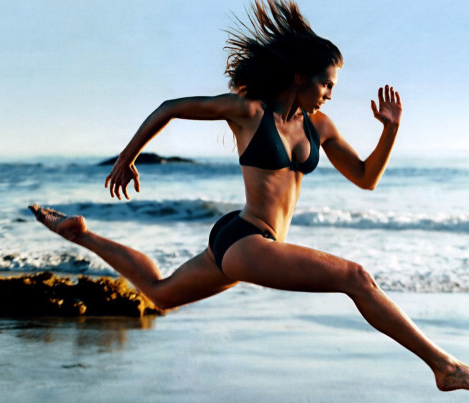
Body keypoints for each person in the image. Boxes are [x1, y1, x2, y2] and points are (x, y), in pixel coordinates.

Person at [29, 0, 469, 391]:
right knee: (356, 278)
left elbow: (366, 178)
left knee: (160, 293)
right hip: (245, 240)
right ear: (300, 77)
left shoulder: (320, 127)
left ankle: (80, 234)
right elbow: (171, 108)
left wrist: (390, 132)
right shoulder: (249, 111)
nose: (330, 94)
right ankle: (445, 367)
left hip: (243, 241)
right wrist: (127, 158)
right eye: (326, 84)